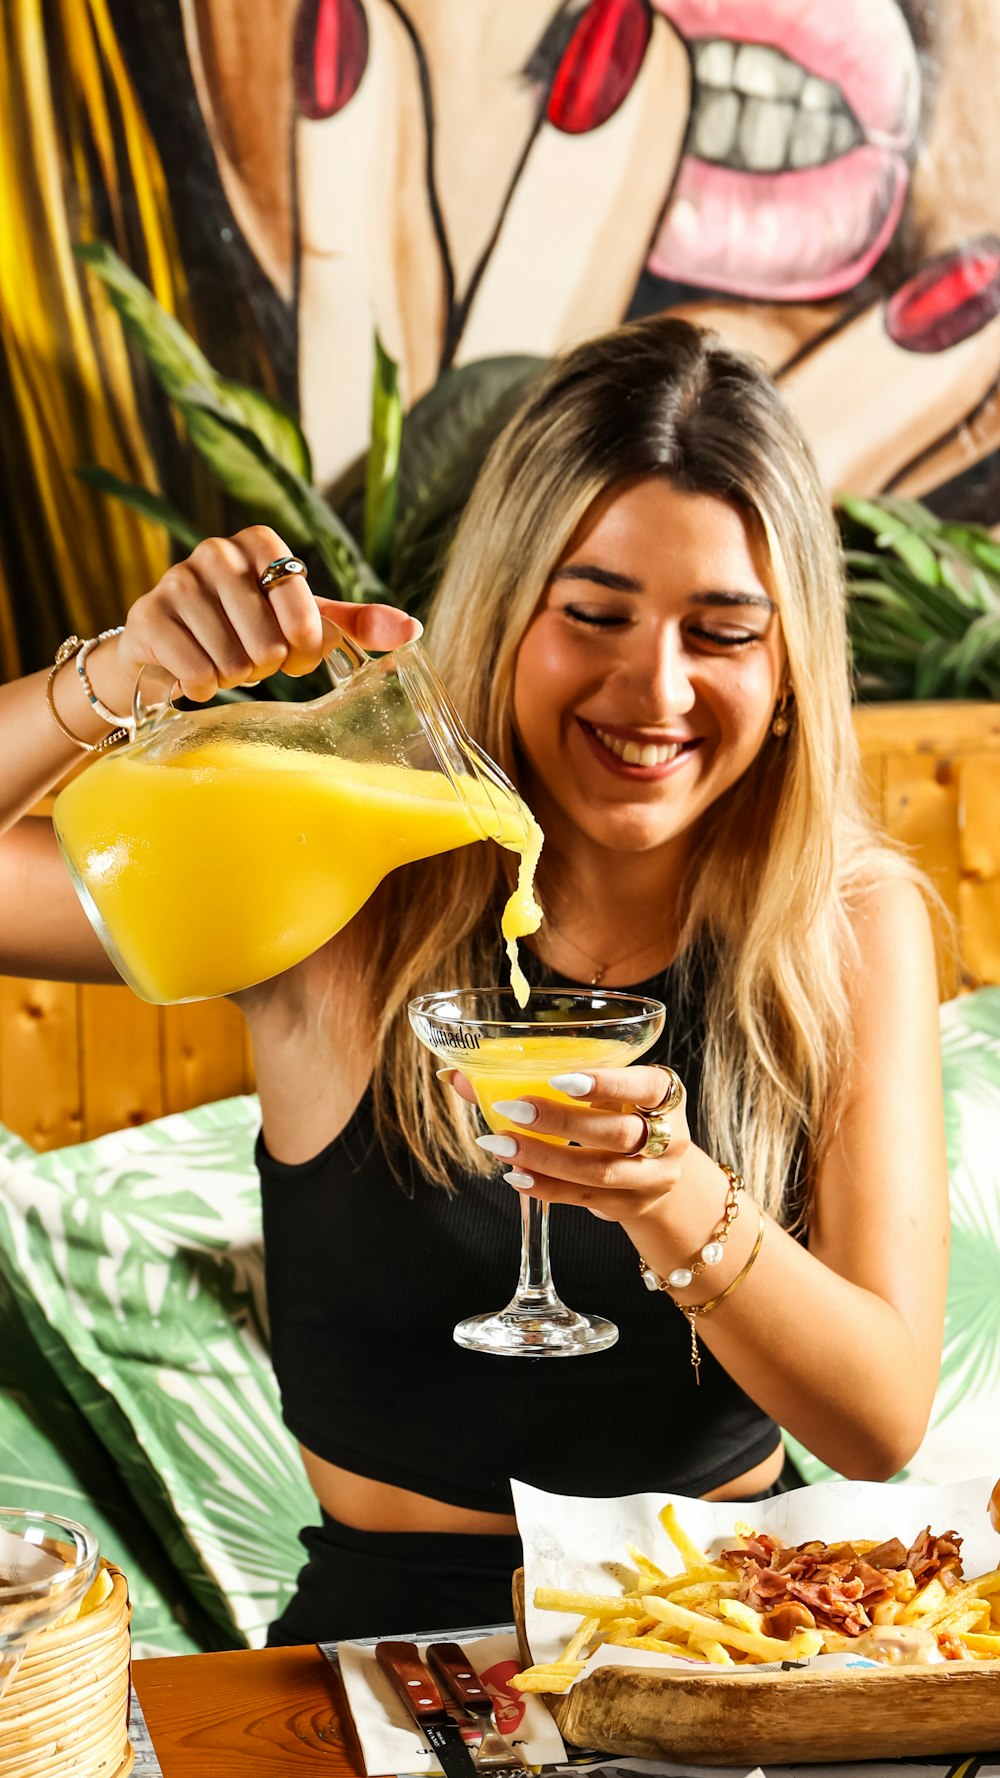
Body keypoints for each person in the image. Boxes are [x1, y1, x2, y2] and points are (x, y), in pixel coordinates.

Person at [0, 317, 948, 1644]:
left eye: (723, 632)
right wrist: (120, 676)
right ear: (507, 613)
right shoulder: (337, 885)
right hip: (394, 1653)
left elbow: (883, 1418)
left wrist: (674, 1195)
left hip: (739, 1634)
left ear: (789, 674)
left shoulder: (845, 921)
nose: (655, 689)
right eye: (595, 614)